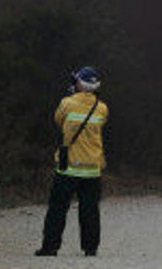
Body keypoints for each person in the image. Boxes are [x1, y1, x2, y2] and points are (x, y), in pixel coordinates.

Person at [35, 66, 110, 257]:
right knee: (90, 211)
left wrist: (71, 95)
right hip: (92, 168)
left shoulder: (67, 103)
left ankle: (50, 247)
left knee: (58, 209)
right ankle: (90, 248)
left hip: (68, 167)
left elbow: (58, 121)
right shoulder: (102, 108)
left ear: (79, 83)